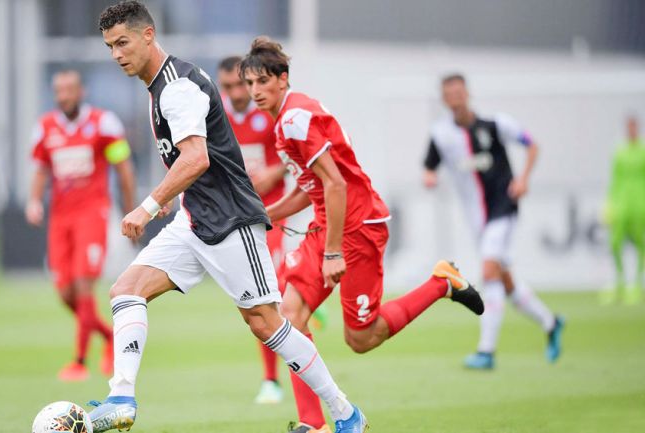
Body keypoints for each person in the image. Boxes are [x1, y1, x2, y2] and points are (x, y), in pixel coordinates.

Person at [89, 3, 370, 432]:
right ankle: (121, 397)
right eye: (110, 46)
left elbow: (197, 158)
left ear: (148, 36)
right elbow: (189, 158)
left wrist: (147, 206)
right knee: (126, 291)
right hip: (194, 218)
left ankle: (346, 413)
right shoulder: (159, 86)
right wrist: (172, 196)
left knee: (265, 322)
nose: (116, 54)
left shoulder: (177, 87)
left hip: (231, 221)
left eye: (122, 43)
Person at [241, 37, 484, 433]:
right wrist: (268, 213)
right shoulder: (287, 118)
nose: (254, 92)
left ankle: (442, 283)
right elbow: (313, 187)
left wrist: (333, 252)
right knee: (289, 316)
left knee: (362, 338)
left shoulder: (294, 120)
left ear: (282, 79)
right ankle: (312, 423)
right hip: (329, 224)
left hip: (357, 229)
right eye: (249, 84)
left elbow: (335, 185)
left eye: (261, 82)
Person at [423, 73, 564, 370]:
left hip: (503, 207)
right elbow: (429, 167)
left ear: (467, 93)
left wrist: (523, 179)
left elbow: (532, 145)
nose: (455, 97)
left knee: (488, 271)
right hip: (478, 220)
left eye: (459, 91)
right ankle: (551, 323)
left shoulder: (497, 124)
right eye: (449, 94)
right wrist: (430, 178)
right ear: (444, 99)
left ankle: (486, 351)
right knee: (505, 279)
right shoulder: (441, 135)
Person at [26, 69, 137, 381]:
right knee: (64, 291)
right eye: (59, 90)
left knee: (83, 284)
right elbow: (40, 168)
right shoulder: (46, 128)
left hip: (93, 212)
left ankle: (79, 360)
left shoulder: (104, 123)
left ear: (82, 91)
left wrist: (130, 210)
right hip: (61, 217)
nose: (64, 96)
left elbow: (123, 168)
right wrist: (34, 201)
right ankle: (110, 335)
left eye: (69, 89)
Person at [217, 55, 288, 404]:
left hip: (271, 215)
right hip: (235, 220)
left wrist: (268, 176)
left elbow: (289, 161)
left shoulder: (269, 116)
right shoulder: (219, 121)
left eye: (239, 84)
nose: (234, 92)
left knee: (268, 300)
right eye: (226, 86)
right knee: (255, 299)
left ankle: (271, 380)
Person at [603, 115, 645, 305]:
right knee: (615, 243)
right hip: (621, 205)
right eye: (629, 127)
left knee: (641, 244)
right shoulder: (620, 152)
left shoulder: (643, 151)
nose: (632, 130)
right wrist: (610, 204)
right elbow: (614, 180)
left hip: (640, 204)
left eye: (634, 127)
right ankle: (619, 282)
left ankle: (636, 284)